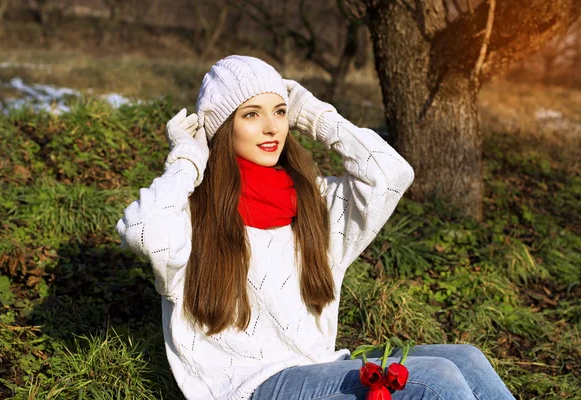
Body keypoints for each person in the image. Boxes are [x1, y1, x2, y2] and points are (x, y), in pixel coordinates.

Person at [116, 55, 515, 400]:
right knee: (437, 380)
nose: (272, 127)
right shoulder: (193, 213)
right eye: (251, 114)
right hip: (249, 387)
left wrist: (314, 114)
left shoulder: (313, 201)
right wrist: (186, 160)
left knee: (466, 358)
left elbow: (391, 174)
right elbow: (141, 230)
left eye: (279, 110)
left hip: (316, 366)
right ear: (223, 128)